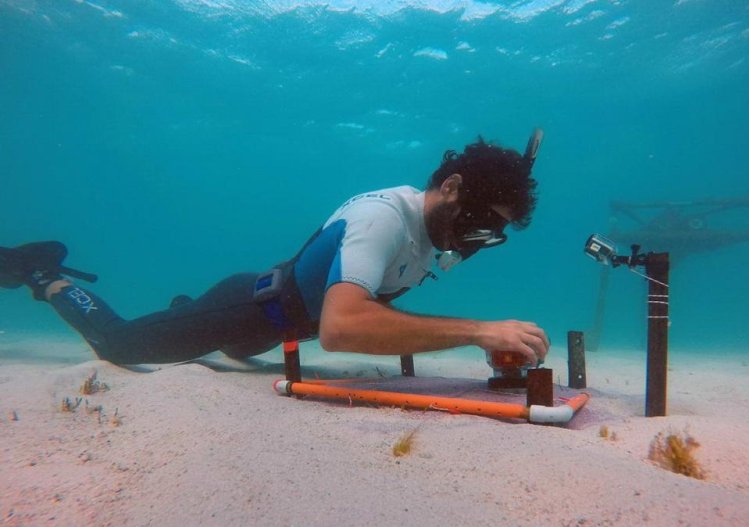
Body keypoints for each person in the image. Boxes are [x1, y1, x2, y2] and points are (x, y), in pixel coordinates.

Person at [0, 131, 550, 367]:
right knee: (120, 347)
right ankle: (44, 275)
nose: (477, 241)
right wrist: (479, 330)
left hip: (271, 333)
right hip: (248, 310)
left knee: (229, 351)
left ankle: (183, 312)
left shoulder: (439, 233)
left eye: (492, 235)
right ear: (450, 187)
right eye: (479, 222)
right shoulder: (383, 217)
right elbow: (341, 329)